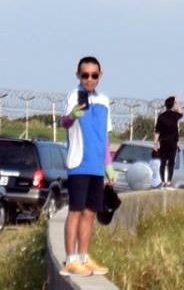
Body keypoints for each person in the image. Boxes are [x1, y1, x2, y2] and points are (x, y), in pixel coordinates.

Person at [59, 56, 112, 278]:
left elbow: (105, 137)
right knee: (76, 211)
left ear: (100, 76)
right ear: (78, 76)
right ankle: (70, 259)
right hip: (79, 162)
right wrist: (73, 115)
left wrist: (109, 165)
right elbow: (64, 123)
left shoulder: (104, 101)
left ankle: (84, 256)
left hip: (97, 166)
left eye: (94, 75)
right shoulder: (74, 96)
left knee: (90, 212)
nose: (89, 79)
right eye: (85, 75)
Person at [156, 96, 183, 190]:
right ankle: (169, 181)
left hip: (163, 142)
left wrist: (155, 142)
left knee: (163, 162)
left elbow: (157, 131)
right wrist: (177, 103)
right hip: (173, 143)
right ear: (172, 105)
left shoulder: (161, 116)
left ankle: (163, 181)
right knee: (171, 162)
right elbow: (181, 112)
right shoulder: (175, 115)